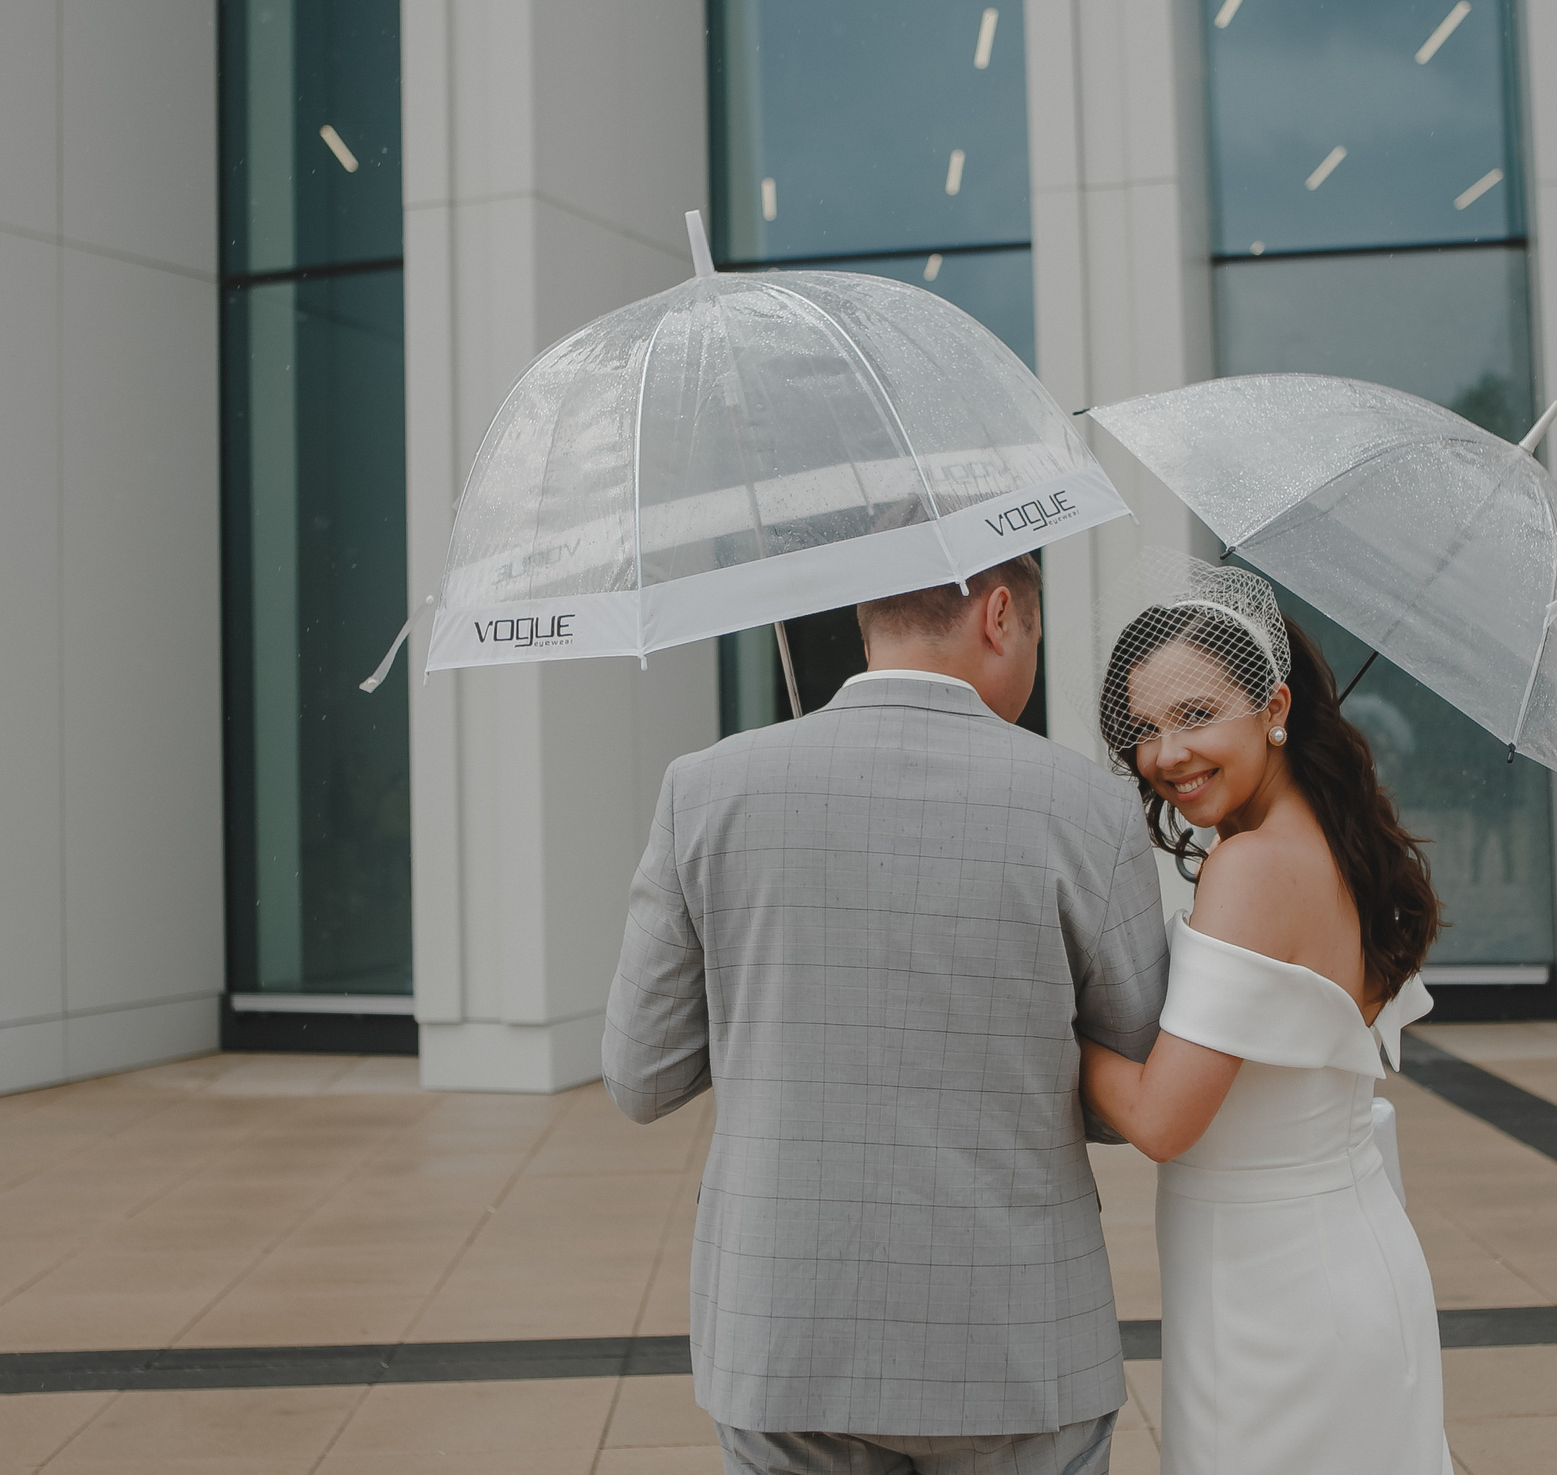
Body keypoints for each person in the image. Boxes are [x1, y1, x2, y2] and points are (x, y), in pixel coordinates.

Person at [604, 552, 1171, 1475]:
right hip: (1017, 1339)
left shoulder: (706, 789)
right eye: (1034, 633)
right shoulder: (1090, 807)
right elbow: (1138, 1080)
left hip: (785, 1330)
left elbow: (641, 1077)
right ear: (999, 614)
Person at [1080, 560, 1450, 1474]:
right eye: (1145, 727)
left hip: (1276, 1303)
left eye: (1197, 714)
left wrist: (1045, 1019)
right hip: (1342, 1265)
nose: (1167, 753)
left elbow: (1163, 1119)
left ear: (1274, 706)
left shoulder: (1249, 867)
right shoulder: (1342, 841)